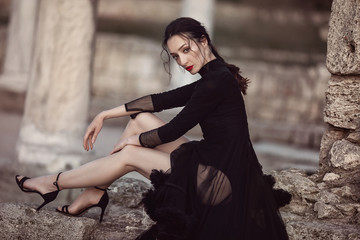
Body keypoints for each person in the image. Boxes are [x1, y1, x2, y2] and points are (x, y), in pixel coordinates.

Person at [16, 17, 291, 239]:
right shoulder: (216, 75)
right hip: (216, 164)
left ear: (203, 41)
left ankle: (52, 183)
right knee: (140, 120)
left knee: (129, 154)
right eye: (175, 56)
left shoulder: (215, 82)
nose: (183, 61)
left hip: (220, 185)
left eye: (186, 50)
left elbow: (173, 130)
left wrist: (132, 142)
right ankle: (95, 191)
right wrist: (105, 114)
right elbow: (161, 101)